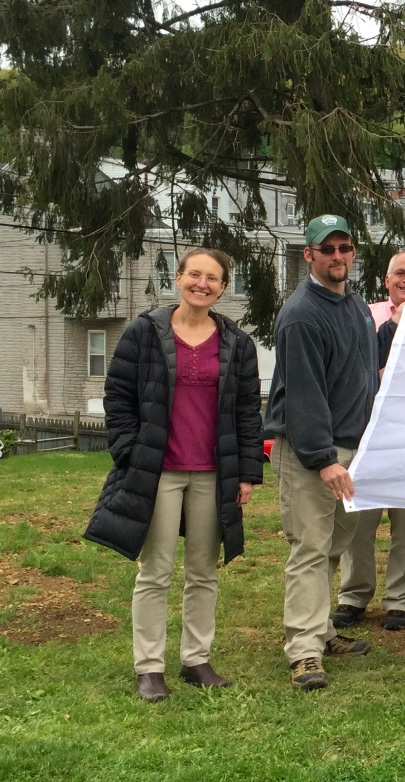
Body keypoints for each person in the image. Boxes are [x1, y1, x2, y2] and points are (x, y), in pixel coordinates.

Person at [85, 248, 264, 702]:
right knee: (156, 570)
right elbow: (118, 396)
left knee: (204, 571)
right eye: (194, 275)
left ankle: (196, 660)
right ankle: (149, 667)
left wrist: (245, 473)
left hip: (212, 473)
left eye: (213, 278)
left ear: (223, 288)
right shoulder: (144, 333)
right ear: (179, 278)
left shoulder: (237, 345)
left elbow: (247, 412)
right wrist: (128, 452)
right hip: (158, 470)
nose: (202, 284)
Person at [264, 214, 380, 691]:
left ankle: (322, 629)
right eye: (326, 249)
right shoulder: (301, 314)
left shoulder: (353, 306)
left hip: (355, 448)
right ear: (308, 254)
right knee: (310, 549)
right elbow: (305, 395)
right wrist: (323, 458)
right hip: (315, 453)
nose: (337, 257)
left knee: (333, 546)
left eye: (345, 248)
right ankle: (304, 651)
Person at [330, 250, 405, 632]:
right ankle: (353, 597)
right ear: (386, 280)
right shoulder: (364, 315)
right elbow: (358, 364)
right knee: (358, 523)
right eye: (399, 273)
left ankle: (401, 602)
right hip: (365, 436)